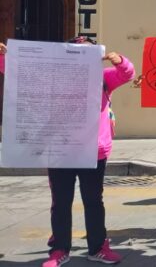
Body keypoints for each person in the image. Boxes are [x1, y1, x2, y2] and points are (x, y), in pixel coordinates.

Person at [1, 38, 134, 267]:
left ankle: (98, 247)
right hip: (60, 150)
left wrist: (120, 60)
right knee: (61, 202)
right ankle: (60, 249)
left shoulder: (104, 78)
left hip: (93, 152)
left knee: (94, 201)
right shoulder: (53, 75)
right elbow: (17, 71)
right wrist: (6, 57)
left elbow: (127, 74)